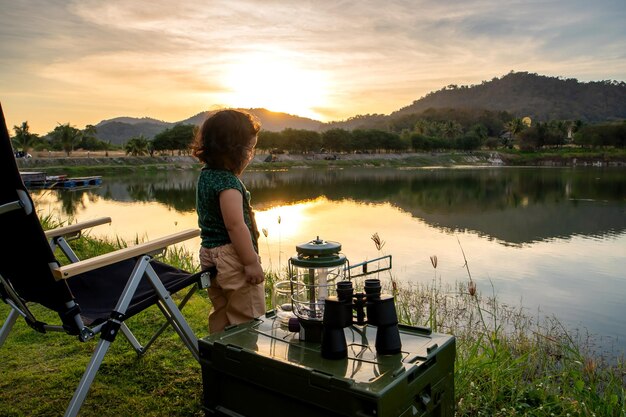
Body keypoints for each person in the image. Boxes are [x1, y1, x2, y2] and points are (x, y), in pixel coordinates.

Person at [191, 109, 265, 334]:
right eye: (250, 149)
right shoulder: (228, 183)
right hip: (233, 257)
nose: (250, 156)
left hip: (209, 253)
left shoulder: (206, 175)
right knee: (247, 316)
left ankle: (219, 356)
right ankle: (246, 359)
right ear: (234, 151)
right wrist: (250, 262)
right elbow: (235, 225)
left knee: (222, 310)